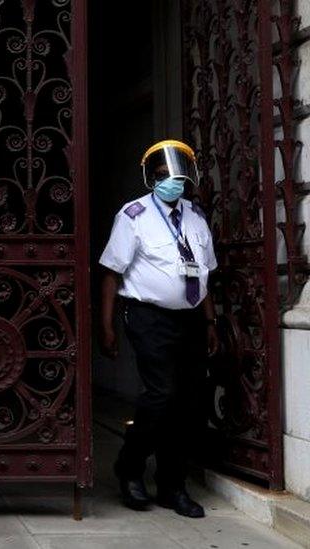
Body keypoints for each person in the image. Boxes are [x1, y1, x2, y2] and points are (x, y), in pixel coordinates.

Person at [98, 139, 219, 519]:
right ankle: (130, 467)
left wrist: (210, 321)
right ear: (152, 178)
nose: (173, 182)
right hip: (148, 317)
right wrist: (107, 325)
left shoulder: (196, 217)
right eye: (165, 176)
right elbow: (111, 272)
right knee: (161, 393)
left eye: (178, 176)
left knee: (186, 402)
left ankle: (172, 486)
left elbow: (205, 274)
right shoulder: (133, 215)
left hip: (190, 318)